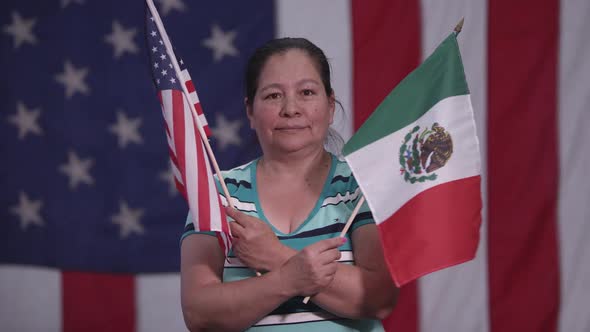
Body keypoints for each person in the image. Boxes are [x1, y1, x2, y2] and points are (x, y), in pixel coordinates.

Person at [180, 37, 398, 332]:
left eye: (307, 92)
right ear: (250, 111)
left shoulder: (363, 186)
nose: (291, 109)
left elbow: (379, 298)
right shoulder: (218, 193)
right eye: (272, 96)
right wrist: (287, 279)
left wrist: (276, 255)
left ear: (330, 106)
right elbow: (199, 314)